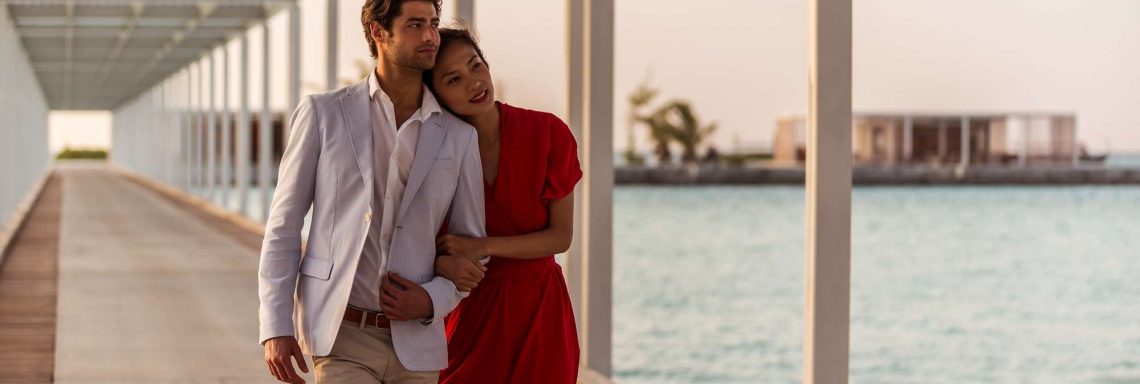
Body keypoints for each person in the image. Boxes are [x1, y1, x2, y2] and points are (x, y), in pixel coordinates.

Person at [257, 1, 485, 383]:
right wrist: (275, 326)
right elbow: (283, 226)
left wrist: (432, 299)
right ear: (379, 32)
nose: (431, 36)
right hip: (342, 335)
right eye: (415, 25)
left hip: (418, 343)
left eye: (433, 23)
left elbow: (472, 248)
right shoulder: (322, 113)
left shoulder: (459, 137)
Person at [425, 28, 583, 384]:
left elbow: (560, 237)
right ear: (436, 94)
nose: (474, 83)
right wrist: (442, 262)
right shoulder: (434, 152)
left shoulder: (548, 132)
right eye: (454, 79)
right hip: (472, 311)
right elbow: (415, 240)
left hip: (542, 313)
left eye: (476, 66)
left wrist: (484, 247)